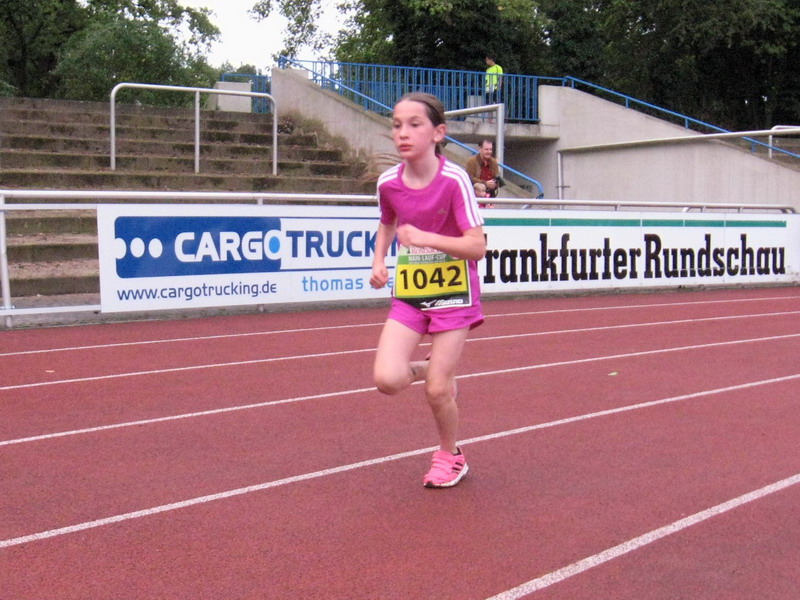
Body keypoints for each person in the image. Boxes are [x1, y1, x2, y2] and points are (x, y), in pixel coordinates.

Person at [370, 92, 486, 489]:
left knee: (437, 390)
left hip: (454, 293)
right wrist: (379, 260)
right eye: (396, 125)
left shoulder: (454, 180)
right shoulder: (388, 183)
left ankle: (450, 456)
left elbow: (477, 247)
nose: (402, 133)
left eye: (414, 125)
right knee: (387, 379)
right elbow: (387, 222)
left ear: (438, 133)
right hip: (411, 292)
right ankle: (433, 370)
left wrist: (426, 238)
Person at [484, 55, 503, 122]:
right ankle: (490, 119)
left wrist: (499, 87)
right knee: (489, 105)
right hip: (488, 88)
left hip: (495, 87)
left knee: (497, 104)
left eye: (487, 60)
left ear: (491, 60)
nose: (486, 61)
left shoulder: (498, 67)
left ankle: (499, 120)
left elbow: (500, 78)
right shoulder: (488, 69)